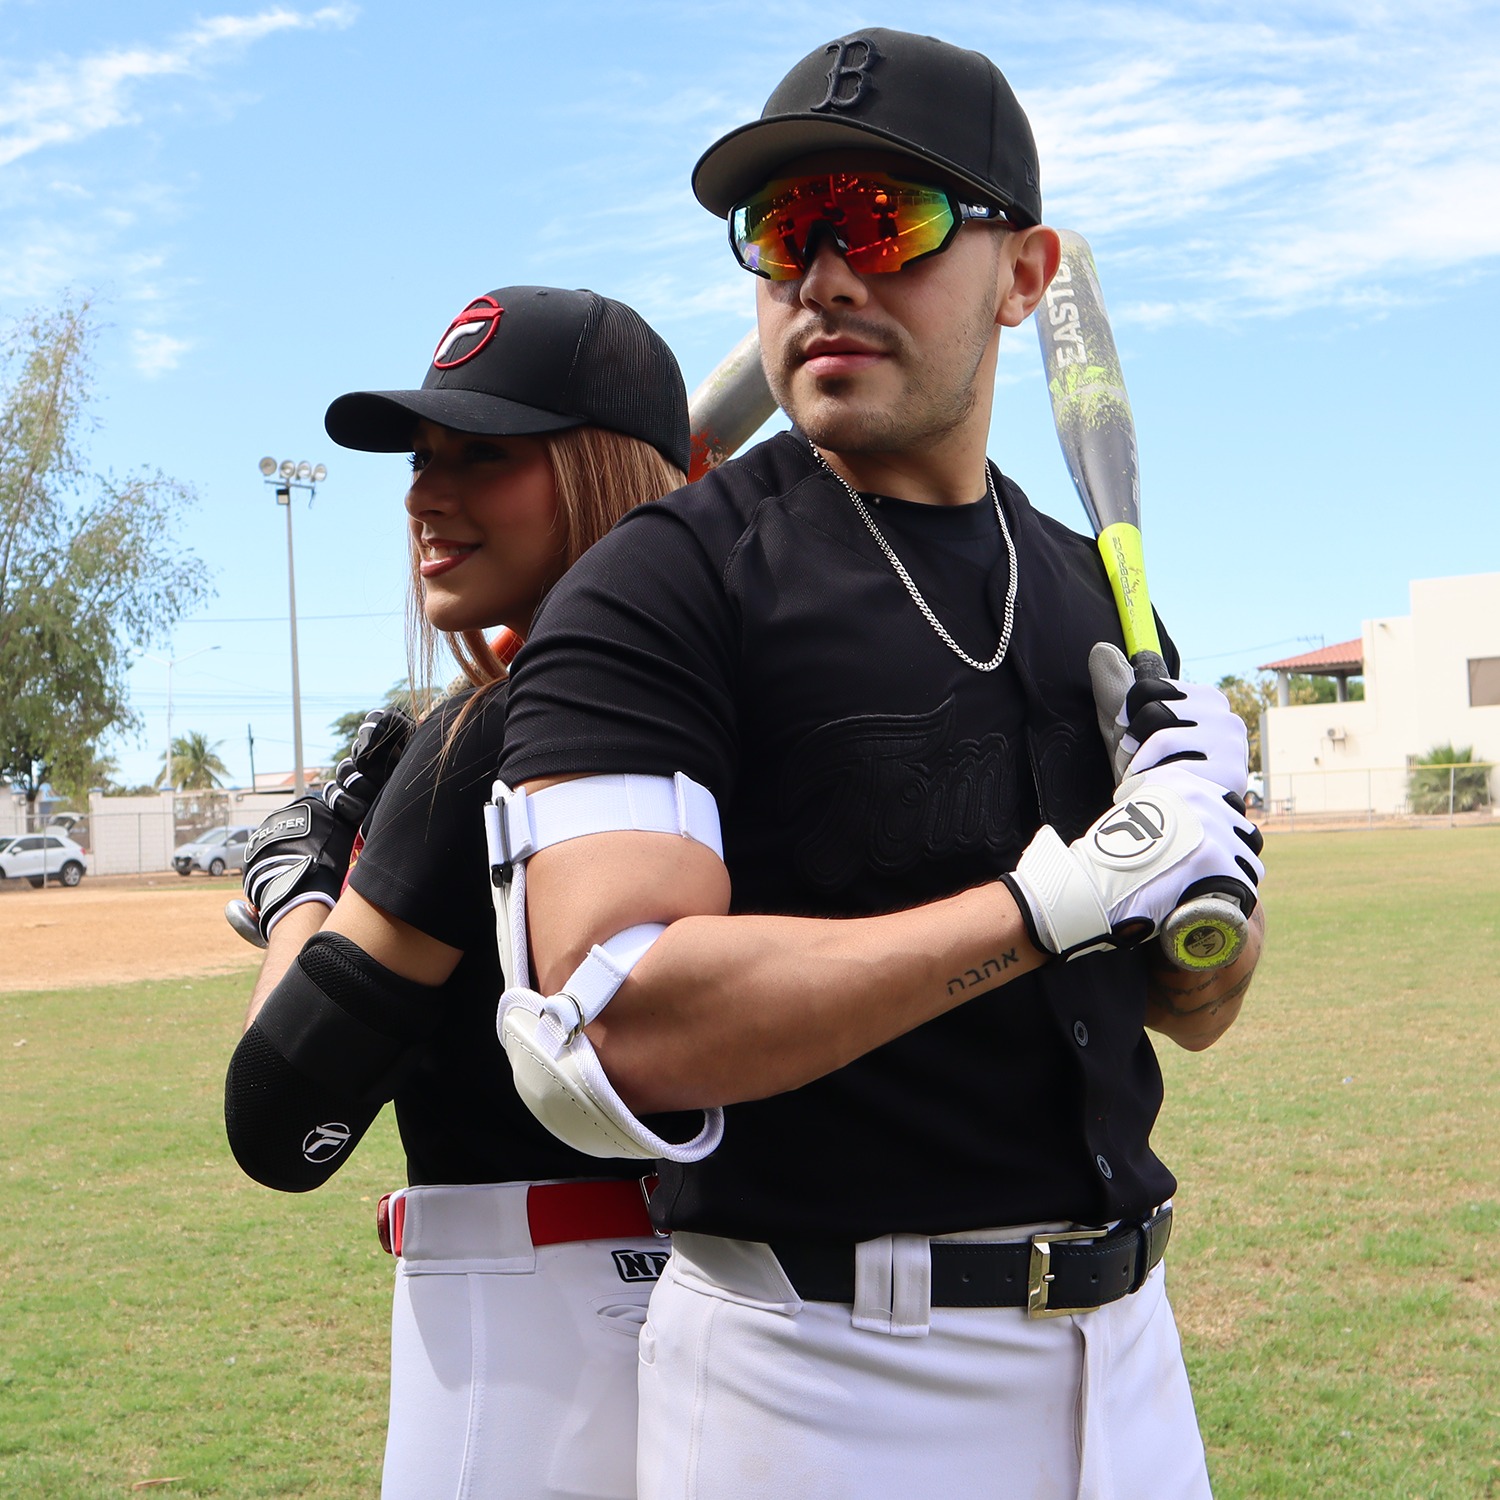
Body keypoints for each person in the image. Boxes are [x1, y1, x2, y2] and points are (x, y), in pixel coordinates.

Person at [489, 30, 1266, 1500]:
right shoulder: (662, 587)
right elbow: (619, 1017)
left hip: (1131, 1357)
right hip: (822, 1377)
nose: (826, 275)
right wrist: (1062, 899)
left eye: (886, 222)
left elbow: (1197, 1011)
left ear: (1026, 276)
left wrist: (1208, 869)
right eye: (786, 230)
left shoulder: (1099, 592)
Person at [223, 284, 691, 1500]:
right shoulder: (730, 702)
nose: (428, 495)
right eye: (425, 458)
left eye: (486, 455)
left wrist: (302, 889)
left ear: (598, 475)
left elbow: (278, 1116)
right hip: (733, 1307)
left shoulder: (490, 736)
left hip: (524, 1338)